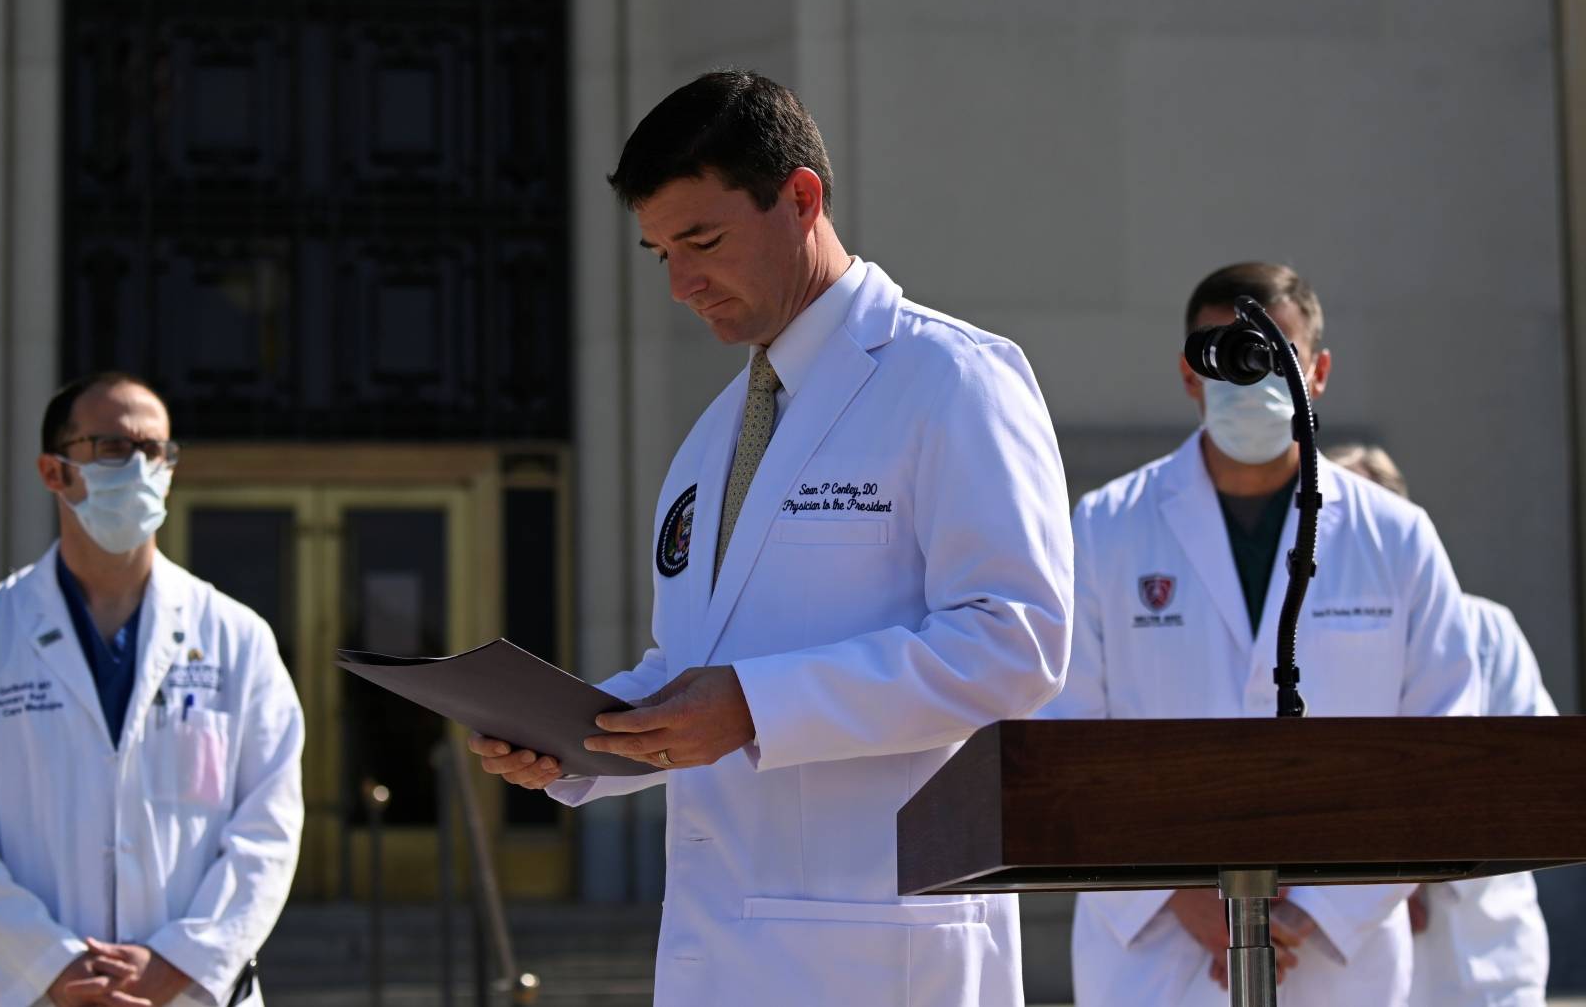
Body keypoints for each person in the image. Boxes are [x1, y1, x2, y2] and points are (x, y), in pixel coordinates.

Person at [468, 69, 1073, 1005]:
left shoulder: (952, 379)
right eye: (659, 253)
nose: (680, 285)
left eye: (701, 241)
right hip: (723, 954)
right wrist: (574, 743)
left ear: (801, 199)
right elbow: (695, 668)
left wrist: (756, 707)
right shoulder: (712, 440)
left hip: (883, 950)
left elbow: (1015, 645)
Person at [1035, 262, 1480, 1007]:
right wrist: (1182, 899)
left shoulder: (1397, 538)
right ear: (1187, 373)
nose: (1250, 377)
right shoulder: (1107, 527)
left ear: (1321, 370)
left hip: (1343, 956)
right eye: (1226, 353)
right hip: (1153, 951)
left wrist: (1318, 912)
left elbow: (1447, 739)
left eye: (1275, 354)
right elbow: (1061, 735)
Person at [0, 372, 305, 1007]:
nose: (139, 467)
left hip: (187, 993)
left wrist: (177, 964)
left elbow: (268, 827)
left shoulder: (236, 637)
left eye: (154, 451)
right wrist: (50, 966)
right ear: (54, 472)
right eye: (111, 448)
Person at [1329, 441, 1553, 1007]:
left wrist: (1412, 870)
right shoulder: (1295, 643)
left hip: (1481, 954)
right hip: (1345, 958)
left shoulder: (1486, 630)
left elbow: (1536, 781)